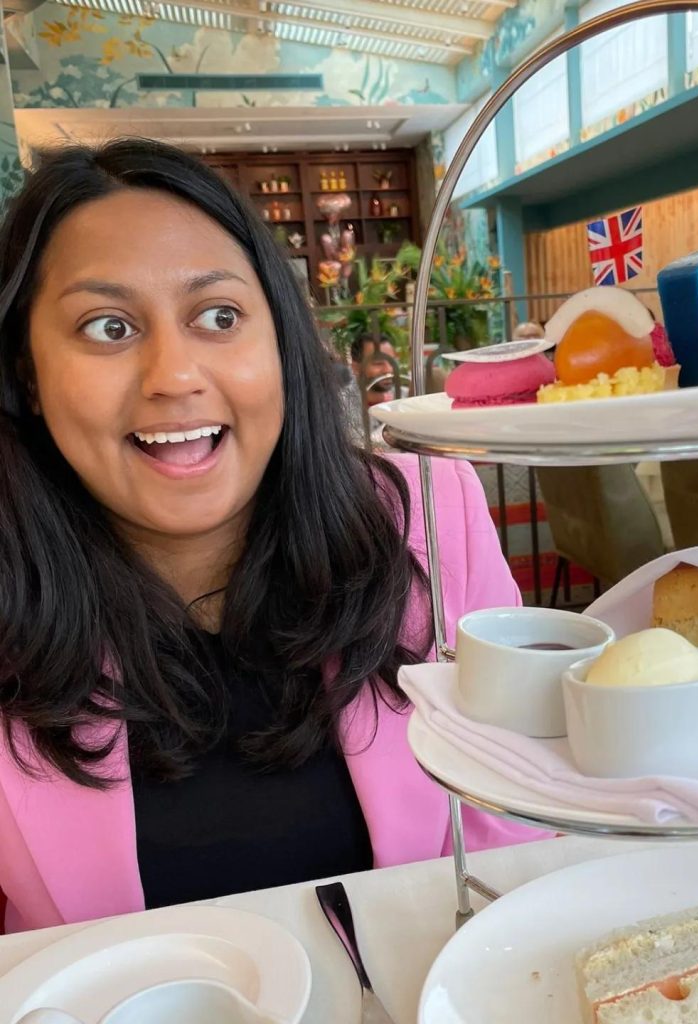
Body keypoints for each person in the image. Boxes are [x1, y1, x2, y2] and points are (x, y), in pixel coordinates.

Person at [0, 139, 541, 934]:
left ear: (281, 343)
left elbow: (520, 837)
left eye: (219, 316)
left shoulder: (431, 520)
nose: (174, 376)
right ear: (30, 376)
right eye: (108, 326)